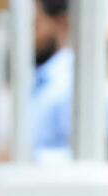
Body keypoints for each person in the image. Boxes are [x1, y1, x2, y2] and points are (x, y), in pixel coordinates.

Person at [31, 0, 74, 159]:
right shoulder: (40, 79)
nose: (31, 35)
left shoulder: (70, 84)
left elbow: (78, 156)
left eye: (35, 24)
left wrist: (23, 157)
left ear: (61, 23)